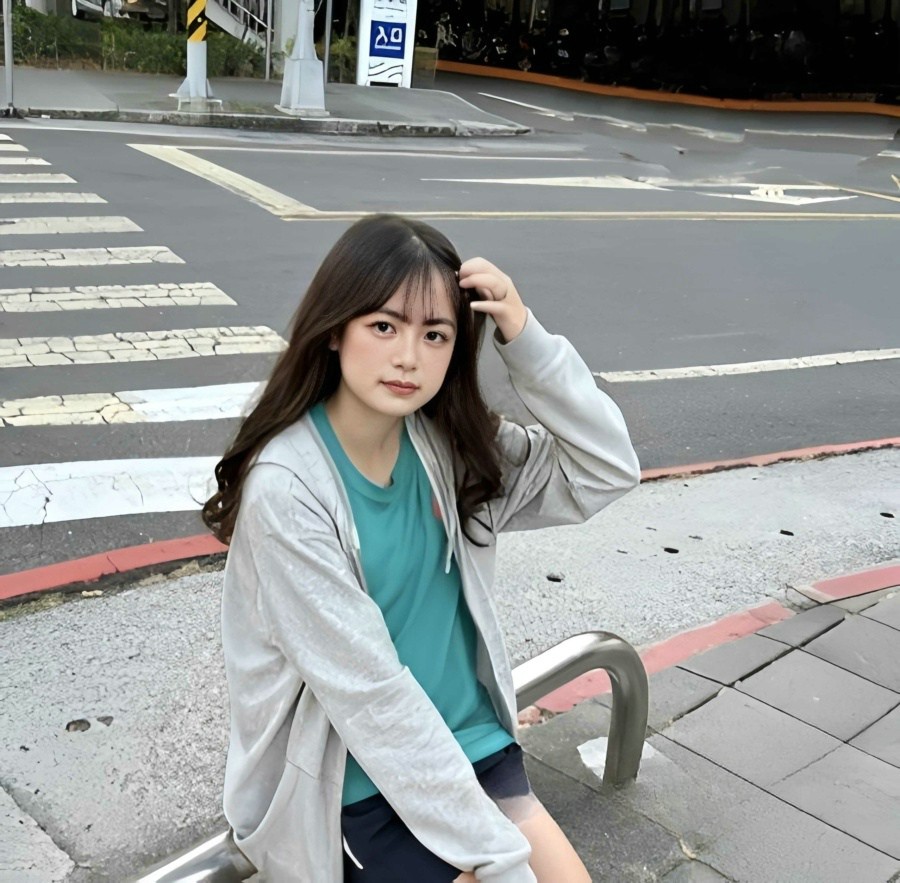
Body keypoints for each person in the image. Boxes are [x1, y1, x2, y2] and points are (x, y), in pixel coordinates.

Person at [203, 214, 640, 882]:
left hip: (474, 746)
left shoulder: (448, 446)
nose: (409, 356)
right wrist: (500, 860)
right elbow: (371, 697)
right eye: (384, 326)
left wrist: (525, 340)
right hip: (355, 783)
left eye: (434, 334)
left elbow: (605, 468)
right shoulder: (289, 490)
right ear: (335, 329)